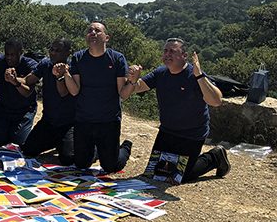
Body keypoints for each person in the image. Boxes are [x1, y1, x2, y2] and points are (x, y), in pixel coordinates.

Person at [128, 38, 229, 182]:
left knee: (180, 176)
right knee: (158, 172)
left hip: (192, 134)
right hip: (167, 131)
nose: (167, 54)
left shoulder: (194, 75)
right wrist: (133, 79)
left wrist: (199, 75)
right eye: (165, 51)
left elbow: (216, 101)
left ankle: (214, 157)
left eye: (172, 51)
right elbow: (138, 87)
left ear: (184, 56)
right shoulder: (160, 73)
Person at [63, 22, 135, 173]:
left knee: (110, 167)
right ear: (86, 37)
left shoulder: (117, 59)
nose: (93, 33)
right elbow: (74, 91)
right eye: (90, 31)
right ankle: (96, 148)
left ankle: (126, 147)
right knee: (81, 165)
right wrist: (65, 74)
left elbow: (123, 94)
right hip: (84, 120)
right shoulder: (78, 57)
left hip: (108, 121)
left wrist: (133, 80)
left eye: (97, 30)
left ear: (106, 38)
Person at [22, 38, 77, 165]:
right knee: (28, 150)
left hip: (68, 123)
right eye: (51, 49)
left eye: (58, 51)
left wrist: (60, 76)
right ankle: (56, 141)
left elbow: (63, 93)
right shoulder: (45, 64)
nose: (53, 53)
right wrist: (14, 79)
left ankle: (95, 148)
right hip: (48, 121)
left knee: (68, 159)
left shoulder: (74, 68)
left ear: (68, 53)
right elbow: (28, 80)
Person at [0, 39, 38, 147]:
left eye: (13, 55)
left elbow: (28, 92)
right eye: (7, 54)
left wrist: (15, 82)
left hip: (24, 110)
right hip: (4, 108)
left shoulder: (30, 65)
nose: (9, 58)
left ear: (21, 52)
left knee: (17, 144)